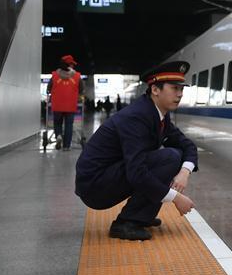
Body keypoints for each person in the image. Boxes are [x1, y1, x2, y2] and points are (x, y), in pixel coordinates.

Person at [75, 61, 197, 241]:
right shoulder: (136, 117)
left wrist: (185, 172)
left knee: (175, 156)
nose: (179, 94)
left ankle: (141, 216)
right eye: (174, 88)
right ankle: (126, 223)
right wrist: (176, 198)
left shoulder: (158, 114)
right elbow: (137, 173)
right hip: (95, 185)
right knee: (169, 158)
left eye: (181, 89)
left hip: (110, 174)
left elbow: (187, 145)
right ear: (155, 90)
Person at [46, 54, 81, 150]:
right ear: (69, 65)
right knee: (69, 125)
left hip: (57, 105)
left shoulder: (54, 75)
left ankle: (58, 135)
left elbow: (48, 88)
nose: (73, 66)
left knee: (57, 123)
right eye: (72, 64)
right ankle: (66, 146)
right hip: (71, 106)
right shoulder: (77, 76)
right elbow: (82, 89)